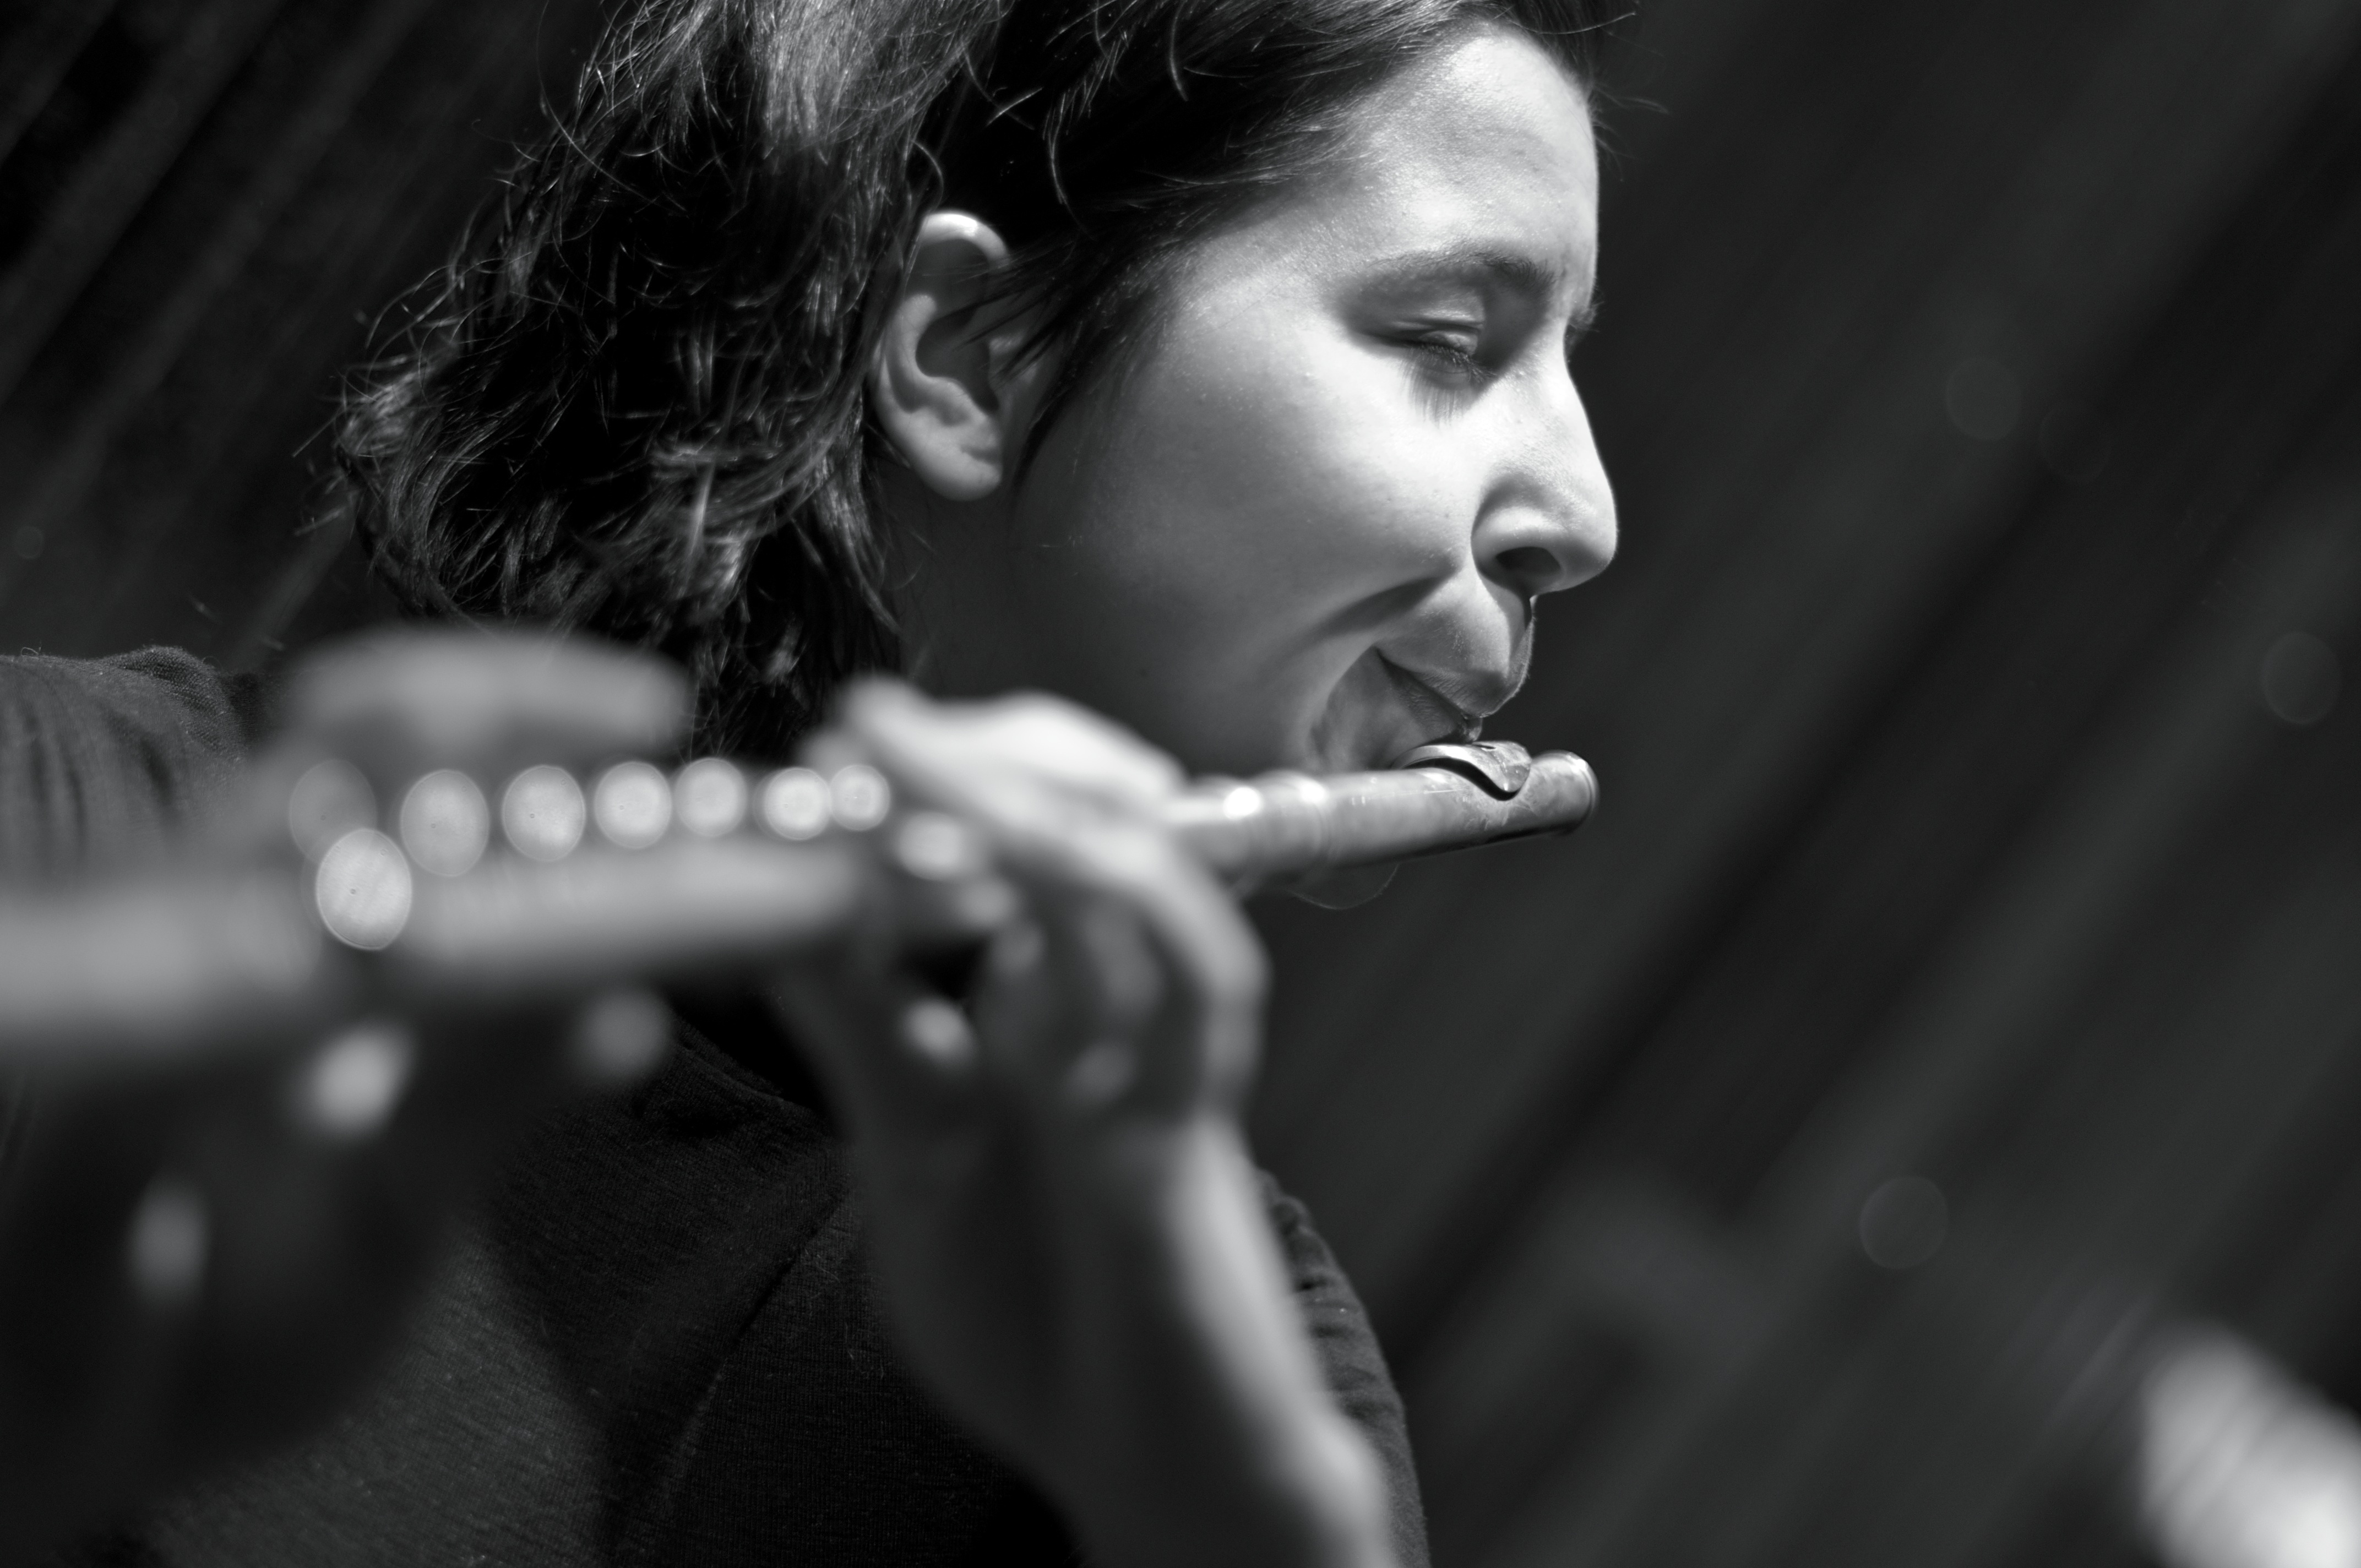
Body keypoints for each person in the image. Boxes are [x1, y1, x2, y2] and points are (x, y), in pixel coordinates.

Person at [6, 0, 1615, 1561]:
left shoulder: (1207, 1357)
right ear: (972, 355)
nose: (1587, 512)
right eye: (1447, 343)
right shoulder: (56, 827)